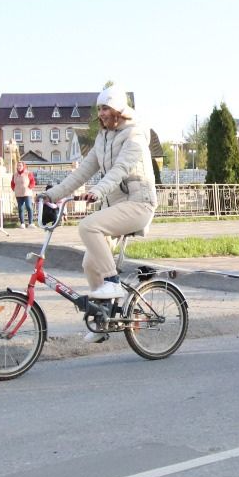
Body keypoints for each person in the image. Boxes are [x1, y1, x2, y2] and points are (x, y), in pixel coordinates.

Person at [39, 85, 156, 339]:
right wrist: (52, 194)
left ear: (118, 111)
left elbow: (121, 169)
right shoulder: (103, 139)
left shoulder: (135, 135)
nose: (101, 114)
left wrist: (99, 191)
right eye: (99, 109)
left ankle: (113, 283)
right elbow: (82, 172)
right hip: (116, 206)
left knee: (88, 226)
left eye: (105, 108)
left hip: (139, 203)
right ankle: (104, 321)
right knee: (90, 263)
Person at [10, 161, 38, 227]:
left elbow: (32, 181)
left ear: (23, 166)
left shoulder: (28, 173)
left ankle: (31, 223)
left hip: (27, 193)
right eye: (18, 166)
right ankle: (22, 223)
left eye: (20, 166)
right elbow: (12, 183)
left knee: (29, 207)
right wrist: (14, 189)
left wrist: (30, 187)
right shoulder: (15, 174)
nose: (19, 167)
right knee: (20, 208)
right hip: (18, 193)